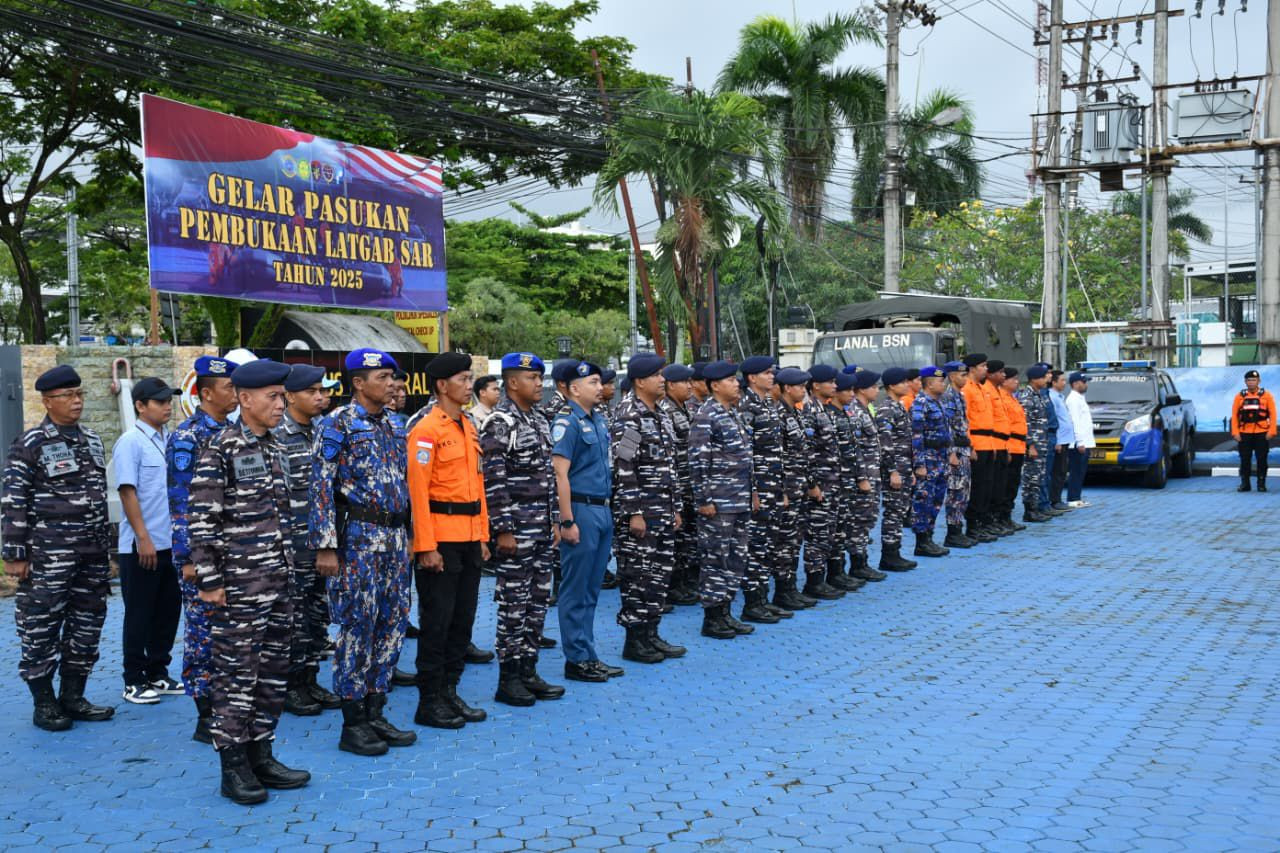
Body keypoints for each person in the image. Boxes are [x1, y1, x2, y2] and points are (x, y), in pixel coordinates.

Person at [187, 358, 309, 805]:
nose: (281, 404)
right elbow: (201, 521)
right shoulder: (221, 449)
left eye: (282, 396)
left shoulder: (274, 446)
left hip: (277, 583)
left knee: (273, 676)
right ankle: (233, 767)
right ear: (244, 399)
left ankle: (262, 754)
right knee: (236, 678)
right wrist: (211, 581)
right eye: (273, 397)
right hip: (237, 589)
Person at [310, 348, 416, 757]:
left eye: (393, 377)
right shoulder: (337, 425)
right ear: (358, 382)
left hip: (392, 540)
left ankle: (376, 709)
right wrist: (325, 546)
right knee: (358, 627)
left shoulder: (394, 424)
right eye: (383, 376)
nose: (392, 383)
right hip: (356, 540)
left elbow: (403, 485)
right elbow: (321, 486)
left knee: (392, 624)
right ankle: (353, 721)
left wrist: (408, 534)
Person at [2, 365, 114, 732]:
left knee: (87, 623)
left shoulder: (92, 440)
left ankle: (73, 696)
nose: (77, 401)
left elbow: (98, 496)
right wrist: (14, 555)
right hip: (49, 555)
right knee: (40, 625)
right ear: (48, 401)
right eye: (67, 396)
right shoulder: (31, 443)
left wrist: (107, 549)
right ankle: (44, 702)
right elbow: (14, 500)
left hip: (91, 554)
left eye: (79, 393)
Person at [407, 351, 491, 728]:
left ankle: (450, 691)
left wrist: (483, 535)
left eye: (469, 376)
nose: (468, 384)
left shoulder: (467, 426)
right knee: (437, 622)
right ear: (442, 385)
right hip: (440, 541)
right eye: (462, 378)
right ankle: (429, 700)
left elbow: (478, 488)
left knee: (463, 621)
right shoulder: (427, 430)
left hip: (470, 538)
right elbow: (417, 493)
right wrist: (425, 546)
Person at [480, 353, 565, 707]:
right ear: (512, 382)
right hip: (516, 532)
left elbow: (549, 479)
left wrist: (556, 520)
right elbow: (494, 481)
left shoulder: (539, 421)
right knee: (513, 606)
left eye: (539, 378)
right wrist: (502, 530)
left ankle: (529, 670)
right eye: (532, 378)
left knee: (537, 604)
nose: (538, 385)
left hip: (542, 530)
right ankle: (509, 678)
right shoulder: (500, 423)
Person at [168, 354, 239, 742]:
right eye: (229, 387)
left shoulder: (235, 432)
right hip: (202, 557)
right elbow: (181, 504)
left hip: (237, 553)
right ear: (207, 392)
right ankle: (204, 713)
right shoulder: (188, 437)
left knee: (229, 634)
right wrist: (191, 559)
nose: (235, 393)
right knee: (201, 633)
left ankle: (228, 706)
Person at [610, 353, 687, 662]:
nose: (662, 380)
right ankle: (635, 641)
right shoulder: (629, 414)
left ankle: (651, 634)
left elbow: (670, 465)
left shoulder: (661, 413)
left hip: (664, 510)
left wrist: (676, 507)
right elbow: (624, 465)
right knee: (637, 578)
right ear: (640, 381)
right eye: (656, 375)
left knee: (659, 577)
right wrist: (634, 513)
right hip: (641, 512)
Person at [274, 364, 340, 716]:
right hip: (292, 545)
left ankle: (311, 678)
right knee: (293, 617)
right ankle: (292, 685)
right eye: (313, 391)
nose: (321, 397)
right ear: (290, 396)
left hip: (320, 543)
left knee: (317, 615)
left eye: (323, 390)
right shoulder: (277, 436)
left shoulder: (322, 431)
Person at [114, 377, 183, 705]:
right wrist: (142, 537)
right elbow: (128, 491)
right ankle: (133, 679)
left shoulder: (171, 439)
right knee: (139, 612)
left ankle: (158, 671)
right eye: (160, 401)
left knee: (168, 610)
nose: (167, 405)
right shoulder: (131, 441)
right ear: (141, 406)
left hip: (171, 542)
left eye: (169, 400)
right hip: (142, 545)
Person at [551, 361, 621, 682]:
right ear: (574, 388)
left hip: (602, 509)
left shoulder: (599, 420)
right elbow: (559, 474)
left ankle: (588, 653)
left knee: (592, 589)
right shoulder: (568, 422)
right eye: (592, 382)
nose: (600, 386)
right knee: (575, 589)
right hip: (580, 510)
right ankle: (576, 659)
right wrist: (566, 521)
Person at [690, 360, 757, 639]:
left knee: (736, 558)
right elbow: (698, 461)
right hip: (718, 503)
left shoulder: (733, 414)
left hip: (738, 500)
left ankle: (726, 612)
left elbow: (744, 460)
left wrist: (752, 492)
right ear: (715, 385)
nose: (737, 384)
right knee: (715, 559)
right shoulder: (707, 415)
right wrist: (704, 499)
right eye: (730, 380)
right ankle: (713, 617)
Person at [738, 356, 798, 621]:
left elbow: (777, 452)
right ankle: (752, 604)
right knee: (756, 545)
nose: (772, 376)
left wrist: (782, 488)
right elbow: (745, 453)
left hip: (773, 487)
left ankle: (763, 599)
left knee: (769, 545)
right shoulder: (746, 406)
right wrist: (753, 491)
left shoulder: (768, 404)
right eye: (766, 373)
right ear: (752, 378)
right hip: (759, 489)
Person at [771, 368, 820, 609]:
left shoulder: (794, 414)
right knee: (784, 541)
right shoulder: (778, 415)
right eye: (800, 386)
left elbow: (803, 454)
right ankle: (782, 591)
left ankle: (790, 588)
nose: (804, 390)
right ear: (787, 388)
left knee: (794, 540)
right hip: (787, 490)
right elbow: (775, 458)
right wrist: (781, 491)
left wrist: (810, 483)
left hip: (799, 486)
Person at [798, 364, 845, 600]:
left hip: (832, 481)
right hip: (821, 484)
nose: (835, 386)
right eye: (831, 382)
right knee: (817, 534)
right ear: (816, 385)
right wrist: (812, 484)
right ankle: (814, 582)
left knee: (828, 532)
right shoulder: (809, 412)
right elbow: (806, 453)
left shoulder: (823, 409)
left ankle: (824, 577)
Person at [819, 370, 865, 591]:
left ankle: (838, 571)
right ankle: (825, 576)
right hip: (831, 481)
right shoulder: (828, 414)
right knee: (826, 531)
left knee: (841, 529)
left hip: (845, 480)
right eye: (847, 390)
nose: (852, 394)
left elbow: (852, 451)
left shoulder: (844, 414)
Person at [658, 364, 700, 606]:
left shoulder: (683, 409)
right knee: (677, 539)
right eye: (685, 382)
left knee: (687, 539)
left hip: (689, 484)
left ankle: (684, 582)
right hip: (674, 487)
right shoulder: (666, 411)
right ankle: (674, 585)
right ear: (671, 385)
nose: (690, 386)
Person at [847, 370, 887, 581]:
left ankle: (862, 561)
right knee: (859, 520)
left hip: (872, 474)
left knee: (867, 518)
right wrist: (862, 477)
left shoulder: (865, 410)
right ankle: (857, 563)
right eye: (873, 386)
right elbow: (854, 449)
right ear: (861, 389)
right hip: (863, 477)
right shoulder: (855, 412)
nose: (876, 390)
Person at [876, 367, 918, 572]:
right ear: (892, 385)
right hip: (894, 470)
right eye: (902, 382)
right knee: (893, 512)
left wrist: (908, 471)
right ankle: (889, 555)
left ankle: (895, 551)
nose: (907, 385)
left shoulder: (898, 406)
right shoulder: (887, 409)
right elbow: (885, 443)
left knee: (900, 511)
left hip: (903, 468)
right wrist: (892, 471)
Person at [909, 366, 952, 558]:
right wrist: (919, 464)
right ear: (930, 383)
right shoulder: (921, 403)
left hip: (940, 458)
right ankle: (921, 541)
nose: (943, 384)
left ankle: (930, 537)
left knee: (936, 500)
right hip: (927, 458)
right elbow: (916, 437)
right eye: (940, 381)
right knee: (923, 500)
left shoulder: (939, 403)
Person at [939, 361, 981, 548]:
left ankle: (958, 529)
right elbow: (946, 428)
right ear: (951, 376)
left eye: (966, 375)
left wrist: (970, 448)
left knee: (964, 491)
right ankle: (952, 533)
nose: (965, 378)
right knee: (956, 492)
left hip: (963, 449)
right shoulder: (947, 397)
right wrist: (951, 453)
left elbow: (963, 426)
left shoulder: (959, 396)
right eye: (962, 375)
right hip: (955, 451)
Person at [960, 353, 998, 541]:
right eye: (983, 366)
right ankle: (973, 526)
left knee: (987, 487)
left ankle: (982, 523)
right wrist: (970, 446)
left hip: (989, 443)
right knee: (976, 488)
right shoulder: (967, 389)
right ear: (972, 368)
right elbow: (965, 420)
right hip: (977, 443)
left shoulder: (982, 389)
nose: (986, 369)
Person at [1231, 369, 1276, 492]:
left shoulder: (1267, 396)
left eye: (1254, 380)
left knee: (1262, 459)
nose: (1251, 383)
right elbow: (1234, 416)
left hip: (1262, 433)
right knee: (1245, 459)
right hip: (1244, 433)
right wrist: (1235, 432)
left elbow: (1273, 414)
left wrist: (1271, 431)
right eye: (1249, 380)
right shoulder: (1239, 396)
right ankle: (1245, 483)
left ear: (1259, 381)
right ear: (1245, 382)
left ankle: (1261, 483)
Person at [1017, 366, 1052, 523]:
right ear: (1034, 379)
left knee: (1038, 477)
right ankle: (1029, 510)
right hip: (1033, 445)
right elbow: (1024, 423)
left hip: (1042, 443)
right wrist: (1030, 444)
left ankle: (1035, 508)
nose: (1047, 380)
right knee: (1030, 478)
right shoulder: (1027, 396)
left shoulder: (1038, 395)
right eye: (1044, 377)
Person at [994, 367, 1027, 533]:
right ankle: (1000, 518)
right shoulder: (1001, 398)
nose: (1016, 382)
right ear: (1004, 381)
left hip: (1018, 446)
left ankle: (1006, 517)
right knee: (1005, 485)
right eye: (1013, 379)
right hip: (1009, 446)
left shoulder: (1012, 398)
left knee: (1013, 485)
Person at [984, 360, 1014, 535]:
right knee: (989, 486)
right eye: (1001, 372)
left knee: (1001, 485)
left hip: (1002, 444)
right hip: (989, 443)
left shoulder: (994, 391)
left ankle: (998, 519)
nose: (1004, 375)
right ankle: (986, 521)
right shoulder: (986, 390)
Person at [1064, 371, 1095, 507]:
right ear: (1075, 384)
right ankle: (1073, 499)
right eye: (1084, 382)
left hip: (1084, 441)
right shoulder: (1073, 400)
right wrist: (1080, 442)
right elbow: (1075, 422)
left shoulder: (1079, 398)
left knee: (1080, 471)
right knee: (1076, 471)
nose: (1086, 384)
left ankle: (1077, 497)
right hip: (1078, 443)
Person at [1048, 370, 1075, 510]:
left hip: (1065, 439)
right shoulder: (1052, 397)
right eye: (1062, 380)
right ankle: (1054, 500)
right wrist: (1057, 440)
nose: (1065, 383)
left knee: (1062, 471)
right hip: (1059, 439)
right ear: (1054, 382)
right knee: (1057, 471)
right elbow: (1053, 420)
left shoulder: (1059, 396)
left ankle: (1057, 498)